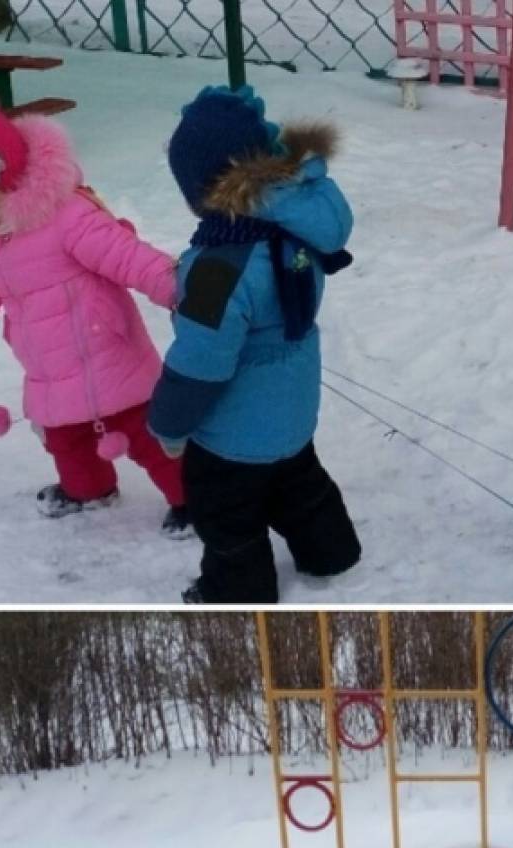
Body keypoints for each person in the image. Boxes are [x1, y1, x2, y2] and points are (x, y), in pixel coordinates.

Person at [0, 79, 188, 534]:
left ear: (12, 174)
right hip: (48, 373)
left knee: (152, 439)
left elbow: (127, 256)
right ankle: (90, 490)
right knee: (67, 442)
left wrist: (183, 291)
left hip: (114, 360)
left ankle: (193, 500)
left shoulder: (68, 217)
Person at [149, 85, 362, 603]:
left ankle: (236, 590)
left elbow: (200, 364)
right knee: (299, 484)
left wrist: (169, 424)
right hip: (291, 410)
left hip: (232, 435)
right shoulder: (294, 231)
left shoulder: (219, 267)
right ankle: (330, 552)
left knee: (225, 513)